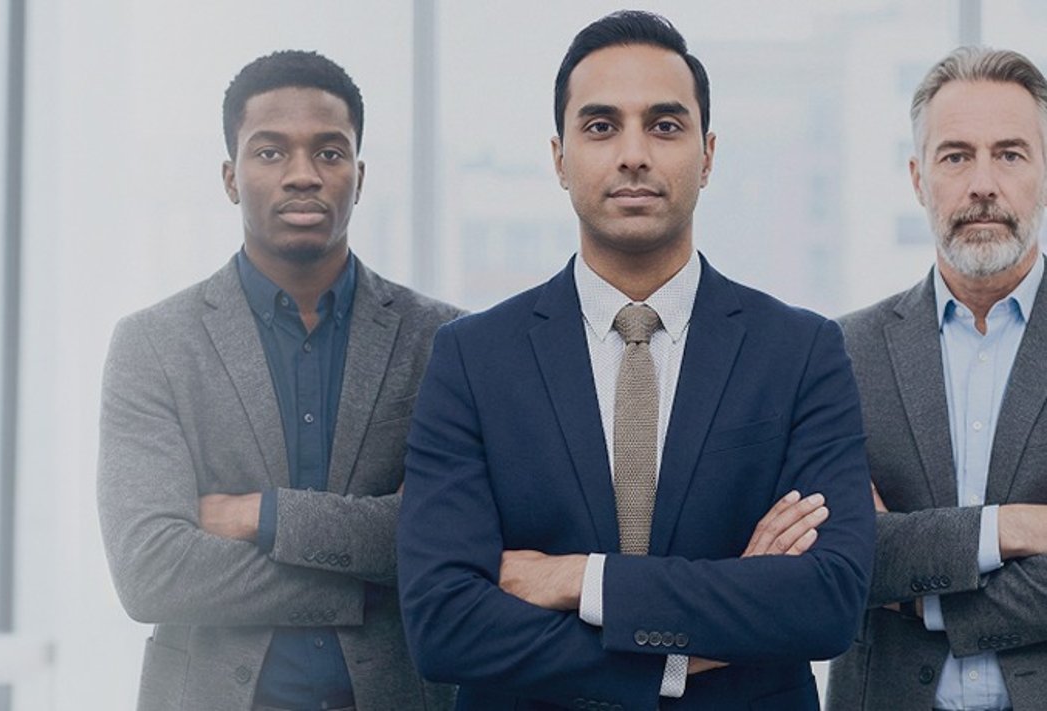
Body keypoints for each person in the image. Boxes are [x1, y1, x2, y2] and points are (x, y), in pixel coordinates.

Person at [394, 11, 873, 709]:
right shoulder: (471, 359)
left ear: (708, 154)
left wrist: (578, 580)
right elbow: (445, 625)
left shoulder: (801, 352)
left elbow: (827, 600)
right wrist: (684, 654)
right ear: (558, 156)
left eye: (665, 125)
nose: (633, 154)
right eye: (600, 126)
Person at [97, 49, 463, 711]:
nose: (303, 175)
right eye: (270, 153)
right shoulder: (153, 345)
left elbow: (448, 538)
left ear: (359, 174)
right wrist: (367, 582)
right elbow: (151, 572)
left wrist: (258, 514)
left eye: (329, 152)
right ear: (231, 176)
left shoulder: (443, 343)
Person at [829, 46, 1047, 711]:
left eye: (1009, 154)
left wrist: (919, 596)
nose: (982, 183)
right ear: (918, 177)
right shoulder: (841, 351)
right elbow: (839, 550)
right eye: (956, 156)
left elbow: (880, 559)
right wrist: (1011, 529)